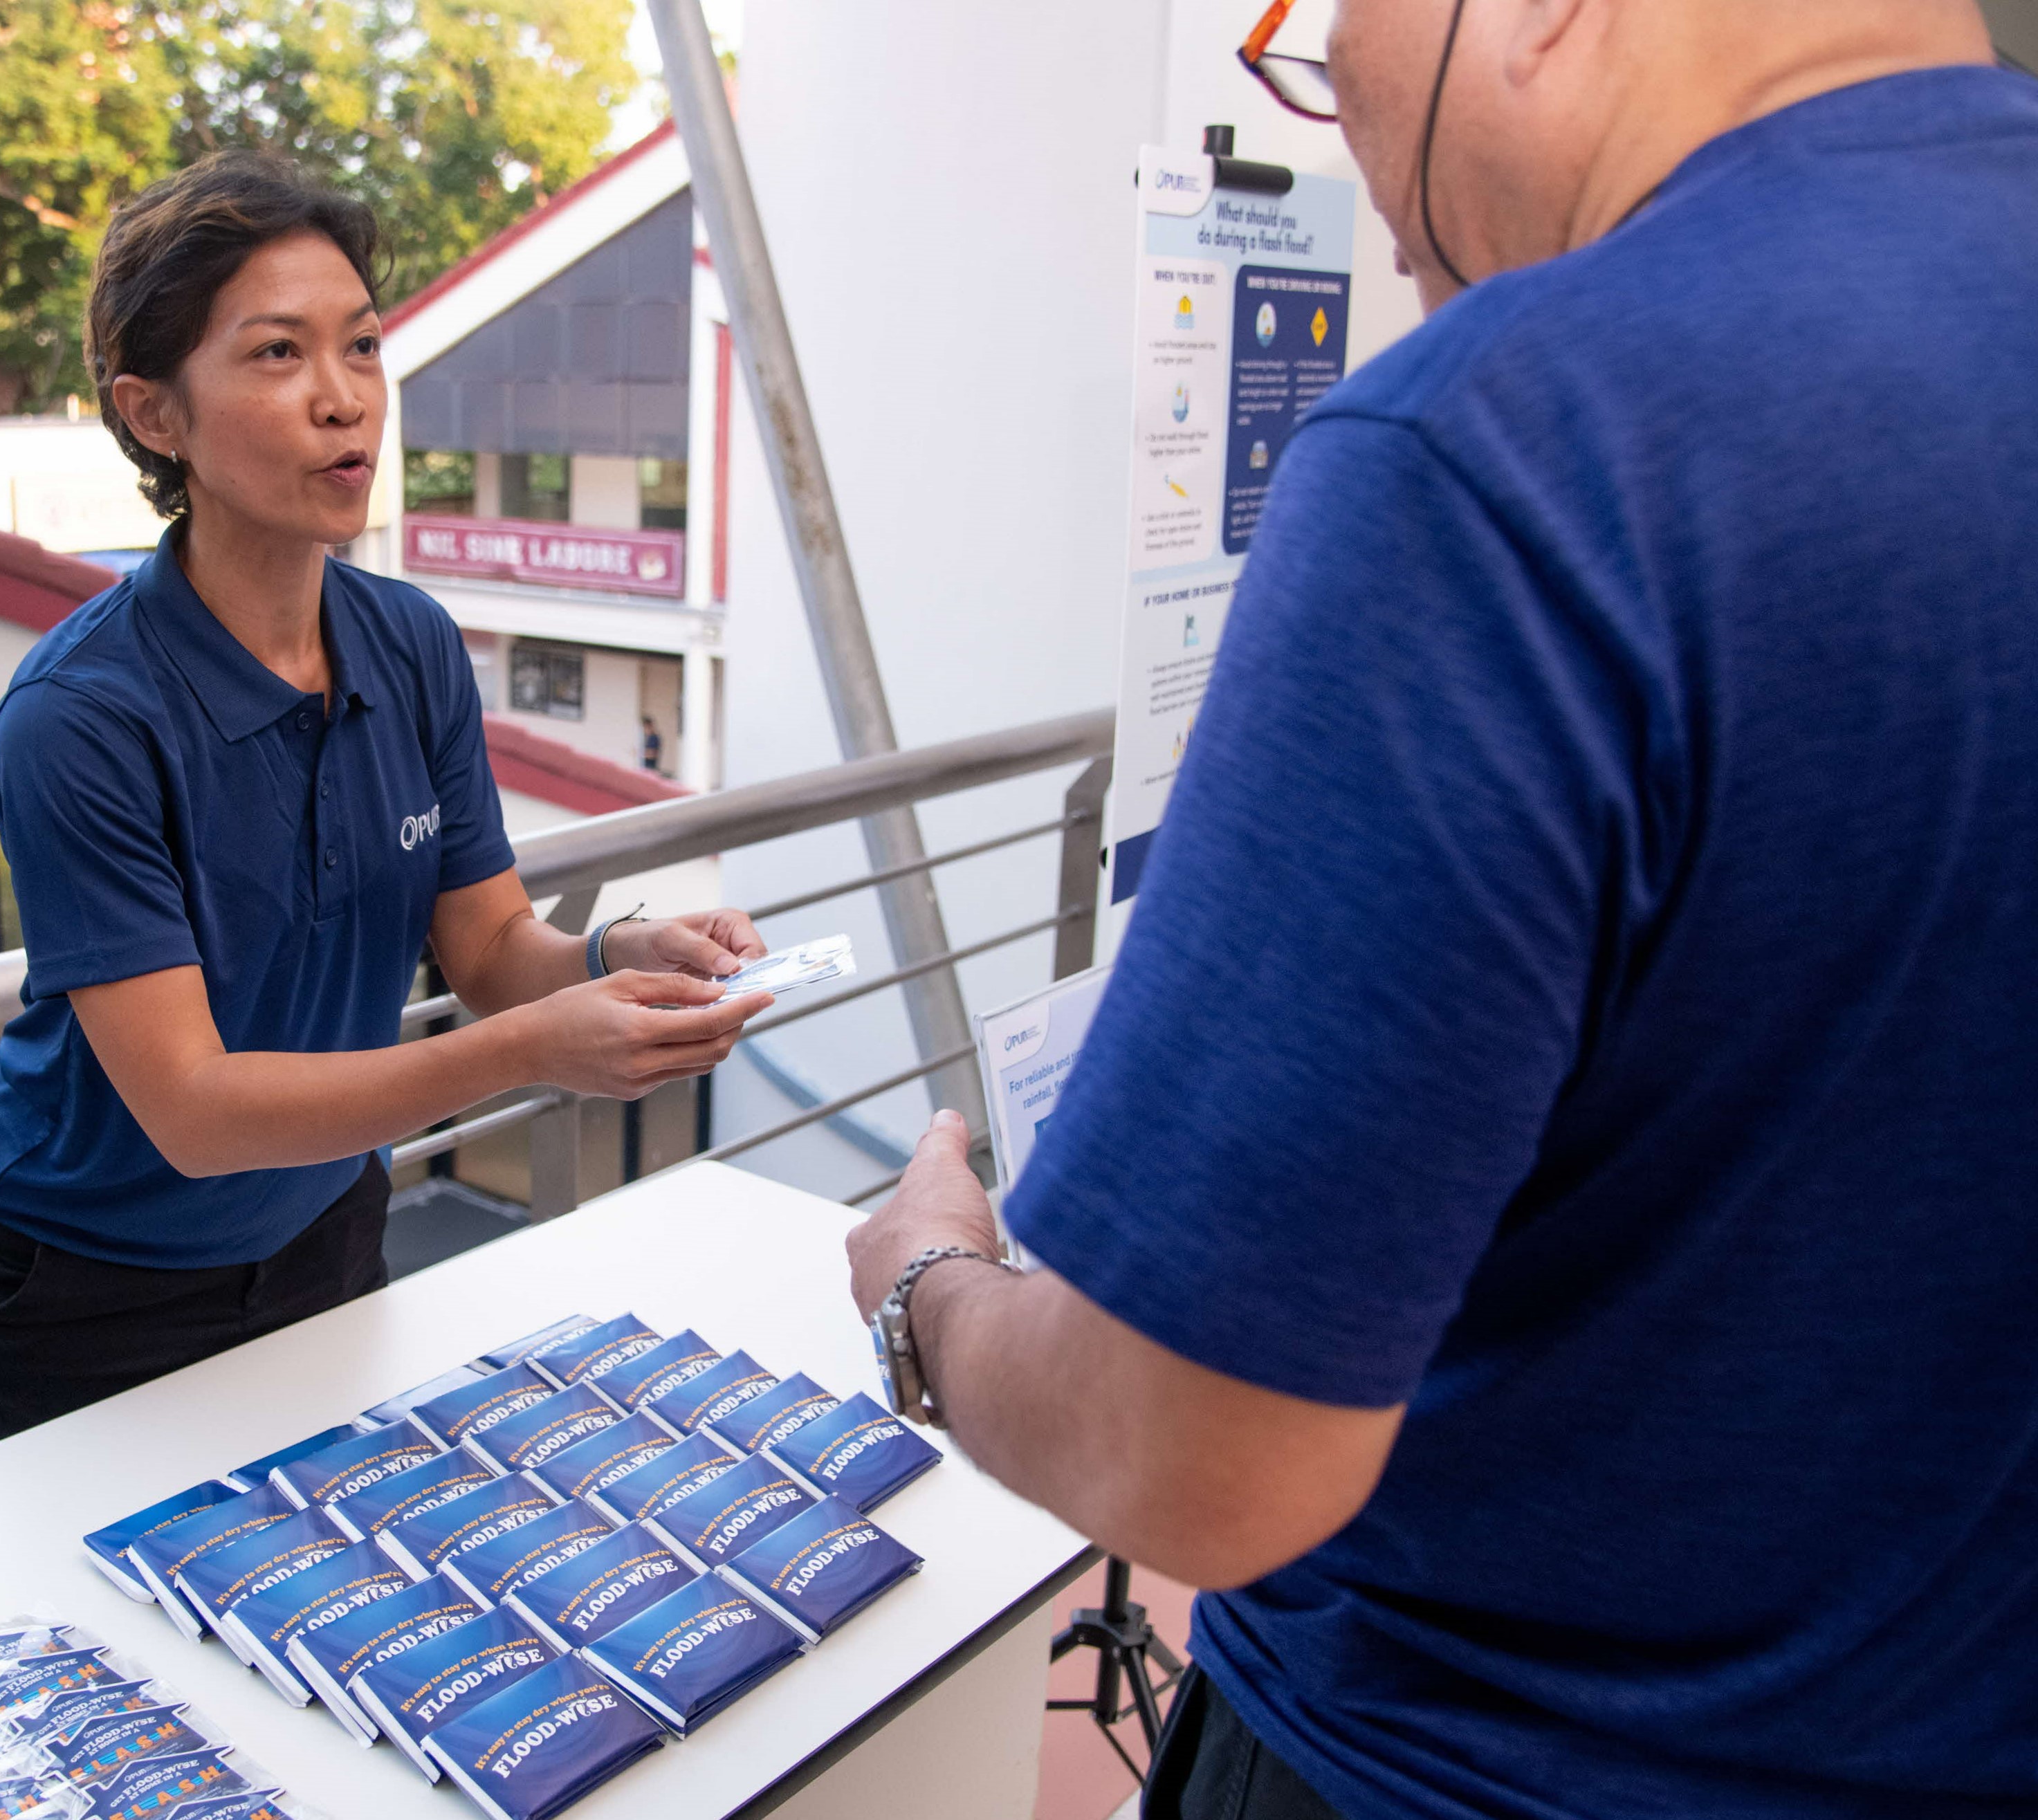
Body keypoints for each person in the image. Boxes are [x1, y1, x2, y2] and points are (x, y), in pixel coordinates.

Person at [845, 3, 2036, 1815]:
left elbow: (1192, 1459)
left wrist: (928, 1287)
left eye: (1329, 34)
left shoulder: (1509, 438)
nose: (1338, 132)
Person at [0, 153, 772, 1456]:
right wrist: (533, 1052)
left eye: (363, 347)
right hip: (85, 1286)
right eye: (277, 355)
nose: (344, 404)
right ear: (155, 417)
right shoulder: (80, 719)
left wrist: (614, 957)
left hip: (326, 1224)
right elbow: (195, 1111)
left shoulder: (412, 644)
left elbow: (493, 951)